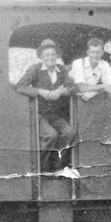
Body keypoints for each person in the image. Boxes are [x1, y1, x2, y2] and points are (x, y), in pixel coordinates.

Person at [15, 39, 78, 172]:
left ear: (57, 56)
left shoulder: (61, 70)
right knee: (51, 136)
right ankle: (44, 168)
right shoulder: (35, 69)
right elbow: (20, 86)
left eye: (52, 55)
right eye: (47, 55)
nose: (50, 58)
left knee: (70, 132)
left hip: (55, 115)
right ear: (42, 57)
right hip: (39, 114)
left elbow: (74, 87)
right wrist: (39, 91)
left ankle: (63, 165)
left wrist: (62, 91)